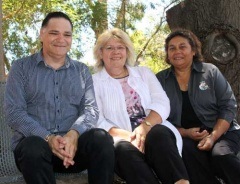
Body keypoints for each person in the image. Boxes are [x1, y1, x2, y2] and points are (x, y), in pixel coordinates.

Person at [4, 11, 115, 184]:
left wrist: (73, 134)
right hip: (36, 153)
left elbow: (91, 109)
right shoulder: (21, 68)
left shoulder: (81, 70)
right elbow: (14, 112)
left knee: (101, 139)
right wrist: (48, 138)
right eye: (54, 33)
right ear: (42, 34)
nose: (61, 39)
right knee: (32, 147)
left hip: (73, 149)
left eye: (67, 34)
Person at [92, 28, 189, 184]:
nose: (115, 52)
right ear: (100, 53)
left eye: (120, 47)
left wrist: (145, 127)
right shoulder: (94, 82)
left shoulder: (143, 73)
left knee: (158, 134)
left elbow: (162, 102)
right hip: (121, 138)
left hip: (153, 129)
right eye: (109, 48)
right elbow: (97, 119)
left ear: (127, 51)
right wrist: (131, 137)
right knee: (122, 151)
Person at [156, 28, 240, 184]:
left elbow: (228, 106)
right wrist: (185, 133)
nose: (177, 51)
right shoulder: (160, 80)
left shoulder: (210, 71)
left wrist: (213, 136)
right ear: (167, 54)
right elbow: (159, 117)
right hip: (186, 136)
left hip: (223, 132)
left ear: (193, 50)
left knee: (220, 156)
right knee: (186, 152)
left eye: (182, 46)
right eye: (172, 48)